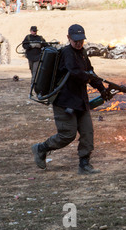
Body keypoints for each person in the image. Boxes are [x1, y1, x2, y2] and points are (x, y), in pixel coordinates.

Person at [31, 24, 110, 175]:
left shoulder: (82, 53)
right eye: (75, 40)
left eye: (81, 40)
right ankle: (41, 148)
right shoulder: (67, 53)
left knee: (87, 133)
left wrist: (101, 88)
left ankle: (84, 164)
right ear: (68, 38)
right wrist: (90, 78)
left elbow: (90, 71)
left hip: (80, 101)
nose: (79, 43)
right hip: (64, 102)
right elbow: (76, 73)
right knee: (67, 134)